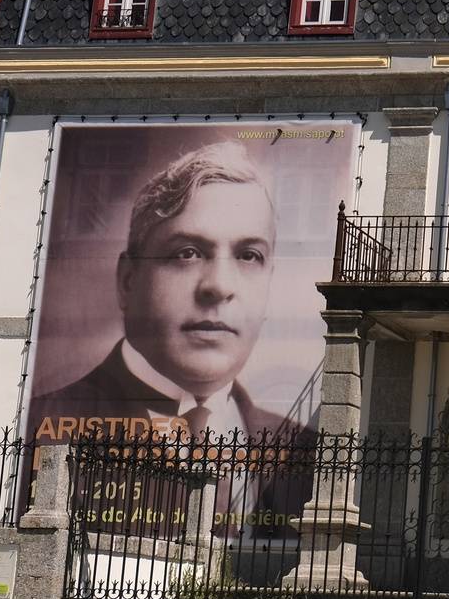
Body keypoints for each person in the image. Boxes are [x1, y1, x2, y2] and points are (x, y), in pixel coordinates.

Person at [32, 140, 310, 444]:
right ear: (128, 280)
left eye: (248, 255)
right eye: (187, 253)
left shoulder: (303, 452)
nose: (218, 286)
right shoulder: (37, 426)